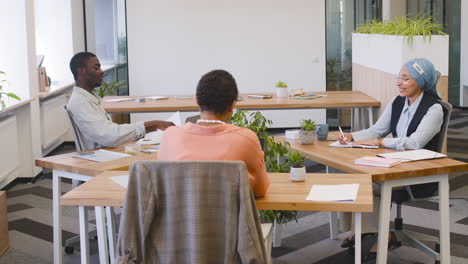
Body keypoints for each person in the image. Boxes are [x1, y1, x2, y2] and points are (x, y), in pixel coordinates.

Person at [338, 58, 445, 260]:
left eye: (405, 79)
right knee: (353, 175)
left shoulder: (434, 109)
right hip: (392, 165)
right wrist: (353, 136)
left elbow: (414, 143)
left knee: (369, 184)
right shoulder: (397, 102)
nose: (398, 82)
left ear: (421, 82)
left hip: (418, 173)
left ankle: (384, 235)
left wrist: (380, 142)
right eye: (399, 77)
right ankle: (364, 229)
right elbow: (377, 130)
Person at [158, 69, 270, 197]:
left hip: (179, 216)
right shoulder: (246, 139)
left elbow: (163, 185)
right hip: (227, 217)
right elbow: (260, 190)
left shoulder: (170, 136)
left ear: (197, 100)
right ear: (233, 105)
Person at [67, 52, 174, 150]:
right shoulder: (80, 102)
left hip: (107, 150)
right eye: (96, 68)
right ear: (81, 71)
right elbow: (110, 135)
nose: (101, 72)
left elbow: (111, 131)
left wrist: (150, 126)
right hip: (102, 156)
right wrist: (152, 125)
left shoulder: (88, 97)